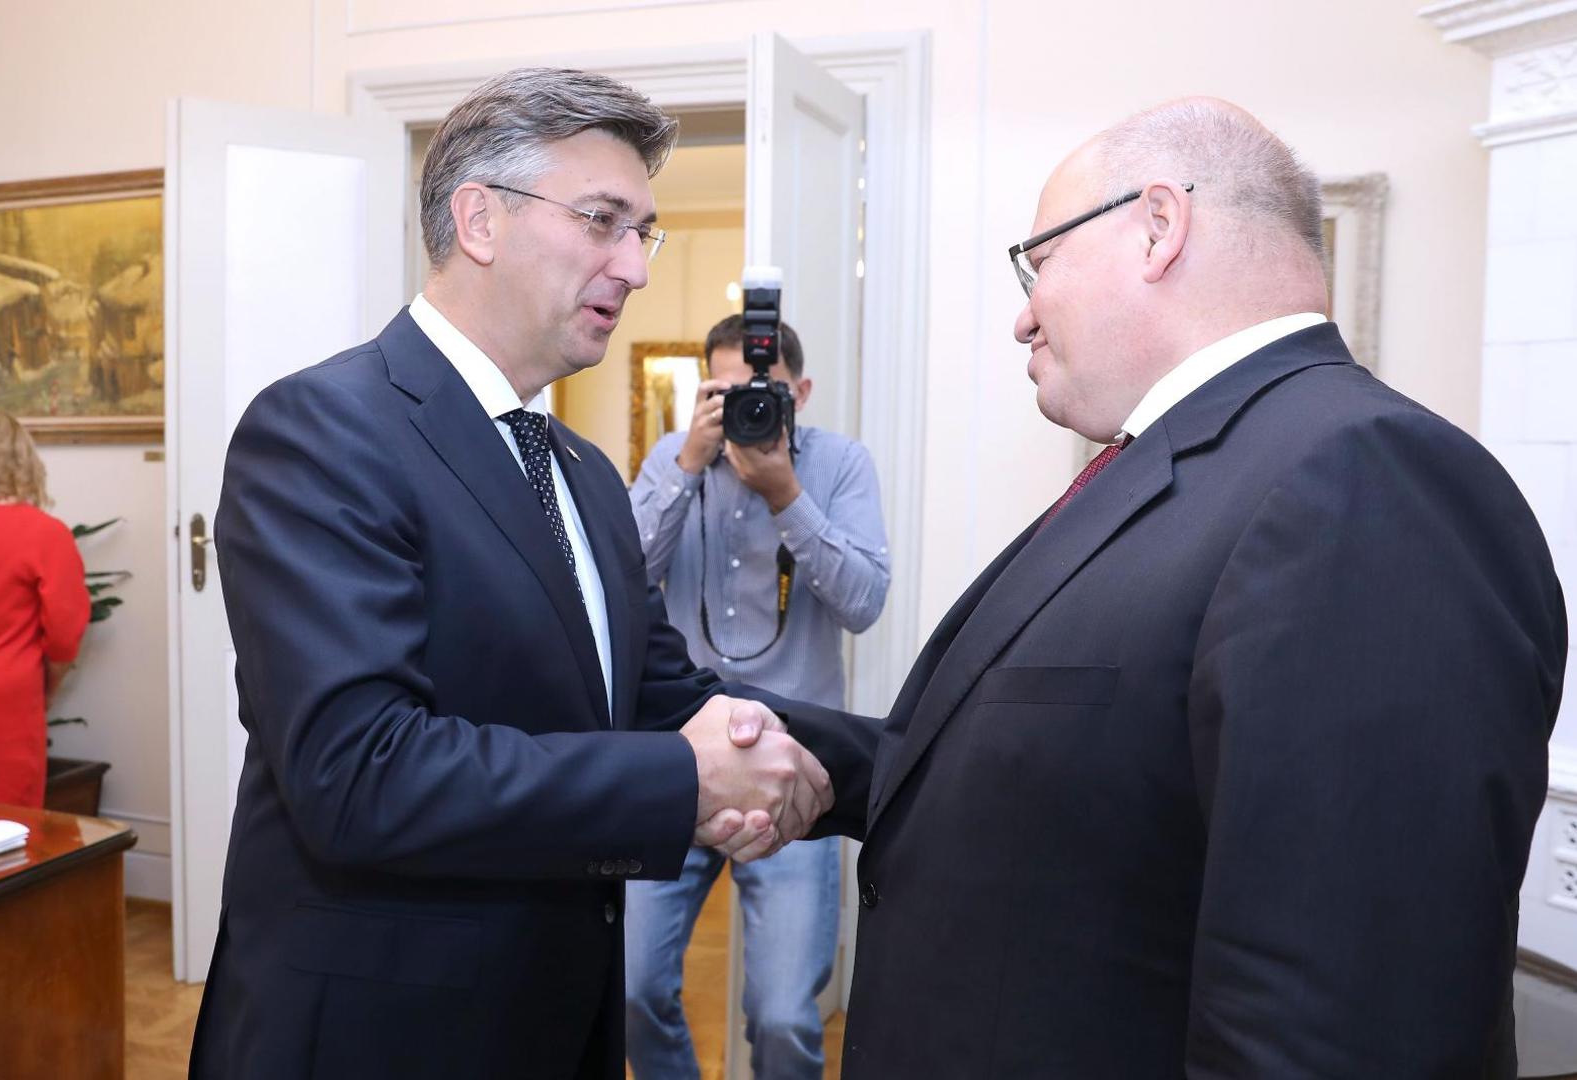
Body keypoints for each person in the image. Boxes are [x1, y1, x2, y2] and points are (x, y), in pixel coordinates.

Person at [727, 98, 1567, 1077]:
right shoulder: (1191, 467)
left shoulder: (1366, 480)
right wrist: (797, 753)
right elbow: (1086, 776)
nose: (1023, 314)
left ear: (1159, 227)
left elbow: (1337, 1018)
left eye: (1039, 264)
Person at [188, 68, 830, 1080]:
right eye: (603, 221)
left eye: (644, 232)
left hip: (555, 1018)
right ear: (479, 219)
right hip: (381, 1037)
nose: (636, 266)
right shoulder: (321, 429)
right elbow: (361, 773)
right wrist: (686, 780)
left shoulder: (582, 470)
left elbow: (658, 695)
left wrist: (909, 760)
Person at [624, 316, 890, 1079]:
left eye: (760, 393)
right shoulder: (673, 458)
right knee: (632, 988)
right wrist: (685, 465)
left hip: (790, 768)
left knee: (784, 1016)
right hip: (676, 757)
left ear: (799, 393)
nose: (744, 407)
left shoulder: (840, 465)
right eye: (724, 391)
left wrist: (787, 496)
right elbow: (621, 583)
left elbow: (865, 602)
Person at [0, 411, 89, 807]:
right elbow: (64, 638)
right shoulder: (45, 534)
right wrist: (48, 691)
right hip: (4, 711)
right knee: (7, 830)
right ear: (25, 460)